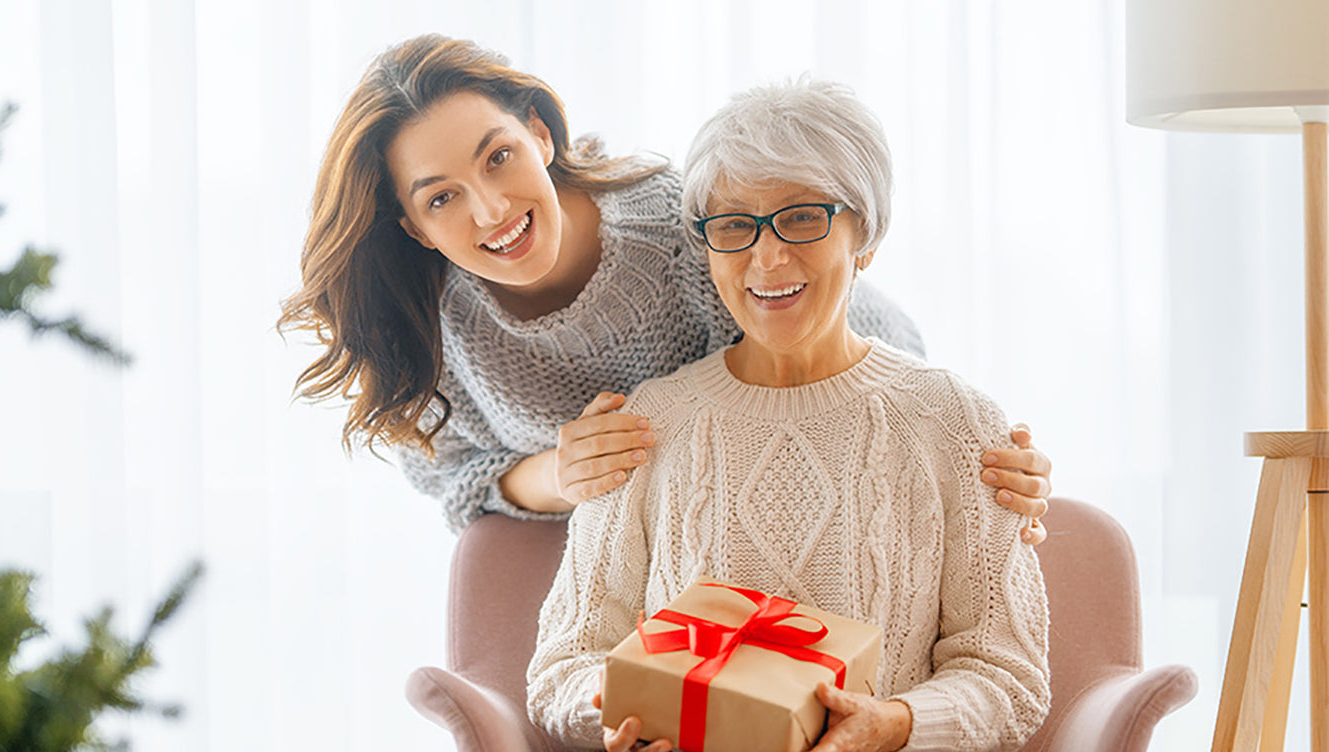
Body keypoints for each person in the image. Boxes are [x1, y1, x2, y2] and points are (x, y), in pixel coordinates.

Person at [525, 79, 1050, 752]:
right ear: (705, 244)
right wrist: (631, 706)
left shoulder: (956, 421)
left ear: (864, 235)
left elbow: (1007, 677)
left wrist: (889, 724)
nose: (767, 257)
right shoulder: (647, 424)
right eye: (733, 226)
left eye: (803, 217)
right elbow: (562, 665)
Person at [278, 34, 1053, 539]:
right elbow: (451, 477)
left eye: (498, 157)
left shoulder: (677, 232)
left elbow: (832, 349)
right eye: (440, 197)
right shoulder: (429, 326)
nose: (490, 210)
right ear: (412, 226)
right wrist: (556, 473)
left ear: (539, 134)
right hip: (615, 569)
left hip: (776, 510)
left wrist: (960, 449)